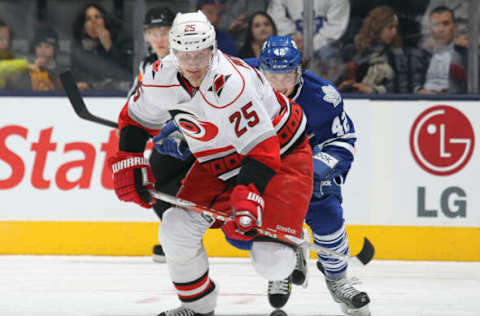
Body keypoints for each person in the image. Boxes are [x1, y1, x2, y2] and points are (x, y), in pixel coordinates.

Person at [108, 11, 313, 316]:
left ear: (213, 49)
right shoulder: (158, 76)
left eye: (200, 54)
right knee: (175, 227)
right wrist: (130, 160)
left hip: (282, 153)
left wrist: (249, 191)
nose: (192, 64)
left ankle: (291, 248)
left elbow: (262, 149)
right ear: (172, 51)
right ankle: (198, 306)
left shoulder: (232, 83)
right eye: (184, 55)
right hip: (219, 160)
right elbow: (136, 119)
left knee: (270, 260)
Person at [234, 36, 370, 316]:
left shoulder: (323, 97)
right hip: (260, 163)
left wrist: (317, 169)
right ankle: (281, 266)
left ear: (299, 71)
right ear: (260, 71)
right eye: (272, 76)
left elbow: (343, 139)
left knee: (326, 212)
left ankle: (338, 280)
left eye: (287, 76)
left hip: (307, 163)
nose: (280, 85)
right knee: (263, 216)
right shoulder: (240, 80)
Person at [128, 6, 193, 264]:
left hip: (195, 138)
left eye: (164, 31)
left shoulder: (187, 60)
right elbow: (134, 101)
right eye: (153, 32)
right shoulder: (146, 65)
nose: (159, 38)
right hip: (166, 142)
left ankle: (182, 238)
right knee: (152, 184)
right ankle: (177, 239)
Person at [71, 3, 133, 90]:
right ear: (83, 27)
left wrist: (109, 46)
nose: (94, 22)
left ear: (104, 21)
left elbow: (127, 70)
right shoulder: (79, 47)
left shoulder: (121, 39)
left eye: (97, 17)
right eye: (89, 19)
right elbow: (77, 74)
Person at [417, 6, 467, 94]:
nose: (441, 29)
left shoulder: (465, 52)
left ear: (455, 27)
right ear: (430, 29)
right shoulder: (422, 52)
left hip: (458, 104)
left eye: (446, 24)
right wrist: (418, 90)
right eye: (436, 25)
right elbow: (411, 82)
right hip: (423, 103)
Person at [7, 24, 62, 91]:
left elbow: (73, 98)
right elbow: (21, 94)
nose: (42, 50)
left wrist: (50, 74)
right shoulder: (30, 70)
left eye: (47, 46)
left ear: (55, 49)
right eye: (39, 46)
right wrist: (34, 69)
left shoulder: (64, 72)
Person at [0, 20, 38, 89]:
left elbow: (22, 90)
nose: (6, 43)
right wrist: (25, 64)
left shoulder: (12, 58)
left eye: (8, 39)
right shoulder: (19, 64)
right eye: (1, 39)